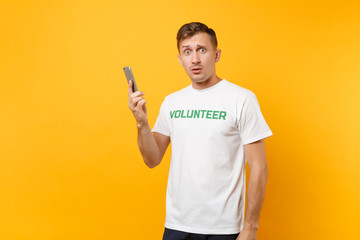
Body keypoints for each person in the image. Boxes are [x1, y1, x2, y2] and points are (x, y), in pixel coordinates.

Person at [128, 22, 273, 240]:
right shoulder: (172, 102)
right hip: (177, 225)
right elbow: (152, 159)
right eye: (187, 51)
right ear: (180, 59)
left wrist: (251, 227)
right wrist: (141, 123)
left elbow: (259, 167)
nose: (195, 59)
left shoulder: (242, 99)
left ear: (216, 54)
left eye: (201, 50)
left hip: (223, 229)